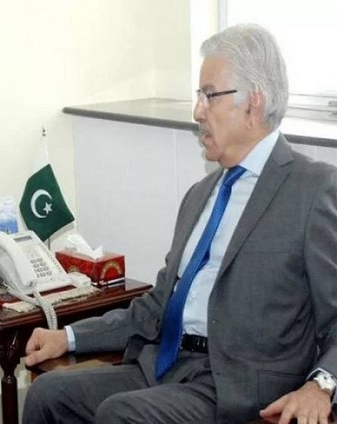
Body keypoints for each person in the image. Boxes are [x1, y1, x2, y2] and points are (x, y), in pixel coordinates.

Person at [22, 23, 337, 424]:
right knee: (48, 395)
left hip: (235, 387)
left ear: (253, 103)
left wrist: (322, 384)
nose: (197, 112)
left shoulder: (312, 190)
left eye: (209, 95)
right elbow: (157, 306)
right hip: (165, 365)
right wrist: (67, 337)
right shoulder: (200, 195)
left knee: (120, 415)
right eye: (198, 96)